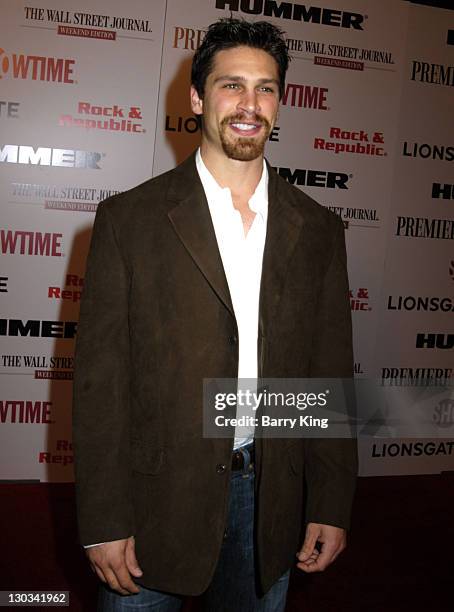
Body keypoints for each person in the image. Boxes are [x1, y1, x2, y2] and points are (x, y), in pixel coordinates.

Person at [73, 17, 357, 612]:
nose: (249, 104)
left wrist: (330, 501)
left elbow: (328, 374)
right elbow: (102, 385)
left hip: (270, 497)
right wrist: (103, 518)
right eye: (232, 86)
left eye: (266, 87)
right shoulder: (130, 220)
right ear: (198, 98)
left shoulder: (321, 229)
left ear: (280, 101)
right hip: (156, 501)